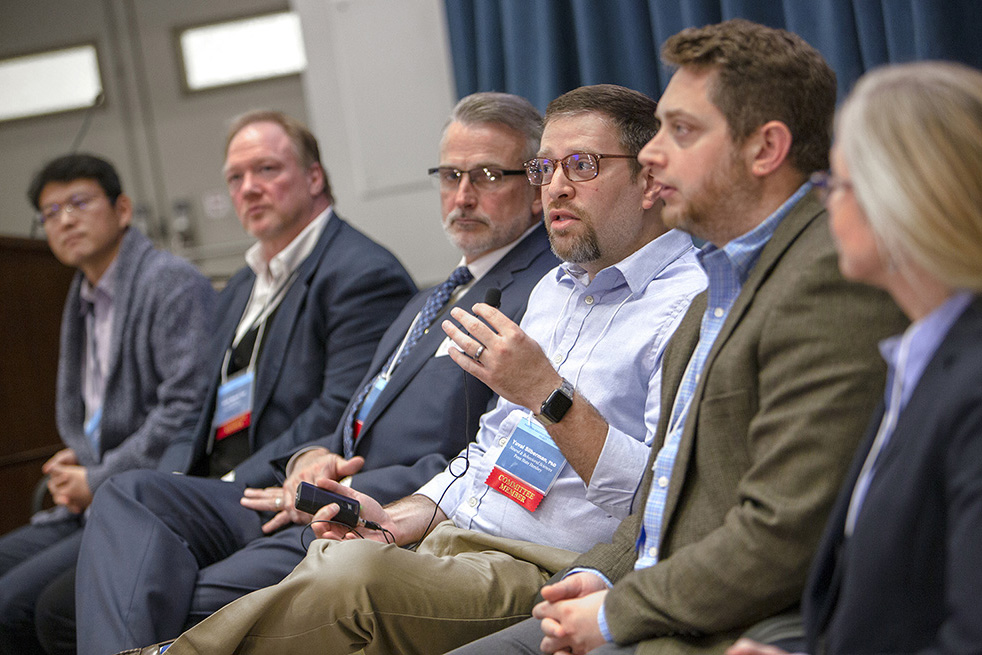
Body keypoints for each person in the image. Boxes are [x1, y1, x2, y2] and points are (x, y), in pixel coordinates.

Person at [116, 83, 708, 655]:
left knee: (350, 578)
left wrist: (548, 395)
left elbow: (666, 494)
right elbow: (490, 448)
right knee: (339, 553)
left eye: (580, 165)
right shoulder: (558, 288)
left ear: (650, 177)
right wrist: (404, 516)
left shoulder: (690, 302)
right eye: (545, 168)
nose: (554, 186)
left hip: (551, 561)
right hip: (464, 531)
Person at [451, 19, 909, 655]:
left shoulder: (826, 277)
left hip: (722, 624)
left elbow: (783, 530)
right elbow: (664, 493)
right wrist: (594, 575)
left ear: (765, 149)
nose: (654, 155)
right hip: (631, 582)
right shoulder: (716, 287)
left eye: (682, 131)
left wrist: (616, 609)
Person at [66, 92, 560, 653]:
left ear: (537, 184)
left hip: (368, 507)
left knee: (180, 597)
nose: (463, 195)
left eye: (489, 175)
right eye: (450, 175)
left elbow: (483, 451)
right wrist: (307, 457)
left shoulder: (538, 293)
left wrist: (340, 489)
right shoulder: (435, 293)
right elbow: (358, 409)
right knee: (130, 494)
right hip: (307, 484)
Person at [41, 112, 416, 655]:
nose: (249, 188)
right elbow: (199, 407)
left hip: (265, 491)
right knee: (51, 599)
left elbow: (343, 408)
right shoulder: (243, 281)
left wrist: (228, 478)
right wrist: (174, 472)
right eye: (235, 178)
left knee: (111, 522)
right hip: (209, 485)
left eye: (266, 169)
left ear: (314, 177)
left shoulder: (359, 272)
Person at [726, 61, 982, 655]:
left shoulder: (971, 384)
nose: (825, 205)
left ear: (904, 194)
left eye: (835, 185)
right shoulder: (920, 356)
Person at [0, 153, 215, 654]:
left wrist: (94, 478)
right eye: (50, 213)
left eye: (78, 202)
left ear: (122, 210)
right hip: (95, 487)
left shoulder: (169, 282)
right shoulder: (82, 293)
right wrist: (82, 453)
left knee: (13, 605)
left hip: (147, 495)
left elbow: (186, 409)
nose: (65, 220)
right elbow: (106, 408)